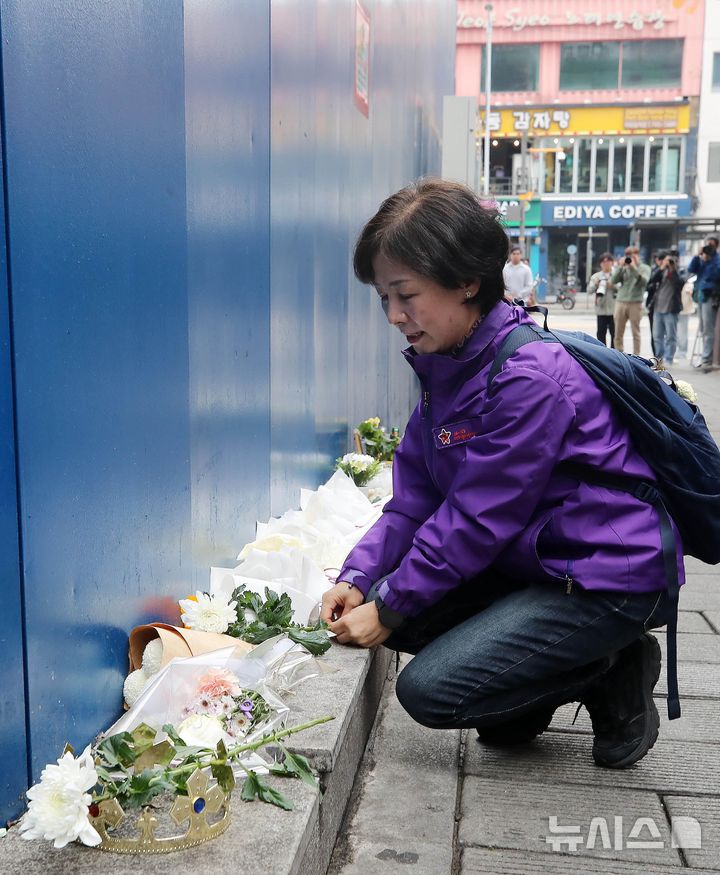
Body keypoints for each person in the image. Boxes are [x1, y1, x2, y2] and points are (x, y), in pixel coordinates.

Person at [321, 179, 680, 770]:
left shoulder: (528, 377)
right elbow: (415, 503)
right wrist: (360, 577)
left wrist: (387, 606)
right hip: (537, 563)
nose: (393, 316)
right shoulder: (450, 367)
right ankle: (520, 702)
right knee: (412, 614)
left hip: (606, 579)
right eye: (383, 297)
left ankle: (613, 666)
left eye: (405, 294)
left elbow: (474, 520)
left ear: (468, 282)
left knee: (428, 690)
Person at [611, 247, 650, 355]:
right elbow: (613, 280)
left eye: (633, 255)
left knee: (635, 332)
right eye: (628, 255)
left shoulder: (644, 268)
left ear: (638, 255)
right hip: (621, 301)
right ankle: (619, 355)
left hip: (635, 302)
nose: (631, 258)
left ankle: (636, 356)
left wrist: (634, 268)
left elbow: (644, 282)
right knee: (618, 332)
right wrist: (620, 266)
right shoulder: (624, 267)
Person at [688, 240, 720, 373]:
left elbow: (716, 274)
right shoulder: (703, 259)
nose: (709, 247)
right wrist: (697, 256)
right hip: (701, 296)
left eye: (711, 244)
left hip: (710, 296)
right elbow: (691, 269)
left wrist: (710, 259)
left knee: (708, 329)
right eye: (707, 244)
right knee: (703, 329)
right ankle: (704, 357)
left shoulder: (716, 260)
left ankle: (707, 359)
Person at [651, 254, 683, 365]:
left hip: (671, 309)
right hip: (658, 307)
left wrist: (672, 269)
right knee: (657, 336)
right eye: (666, 260)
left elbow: (679, 283)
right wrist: (662, 268)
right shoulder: (660, 271)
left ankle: (669, 358)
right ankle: (659, 359)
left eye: (670, 261)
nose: (668, 262)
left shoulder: (679, 272)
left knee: (671, 336)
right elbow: (652, 280)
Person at [587, 252, 617, 346]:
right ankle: (602, 355)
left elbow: (623, 288)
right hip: (601, 309)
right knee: (600, 334)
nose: (606, 264)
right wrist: (596, 284)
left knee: (615, 334)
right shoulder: (596, 276)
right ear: (600, 264)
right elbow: (589, 290)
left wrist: (612, 285)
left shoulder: (616, 275)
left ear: (612, 262)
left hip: (615, 309)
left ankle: (614, 355)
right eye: (603, 262)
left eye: (608, 262)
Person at [645, 251, 666, 356]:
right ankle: (657, 356)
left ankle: (666, 355)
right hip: (654, 305)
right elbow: (649, 284)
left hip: (668, 306)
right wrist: (661, 269)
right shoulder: (654, 270)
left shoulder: (672, 270)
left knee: (667, 333)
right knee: (655, 333)